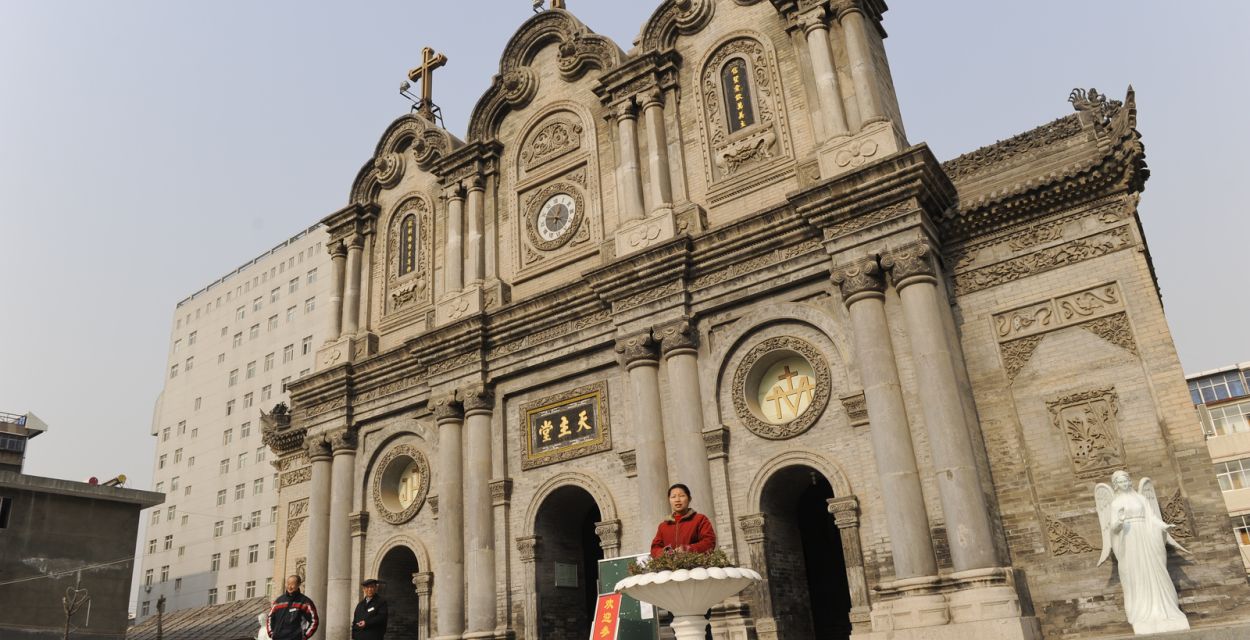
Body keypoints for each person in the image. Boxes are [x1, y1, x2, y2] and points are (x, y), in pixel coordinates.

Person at [1095, 470, 1190, 634]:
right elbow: (1113, 526)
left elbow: (1151, 517)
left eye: (1126, 481)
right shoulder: (1116, 503)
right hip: (1129, 539)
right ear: (1116, 485)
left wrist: (1163, 526)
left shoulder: (1141, 498)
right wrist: (1119, 522)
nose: (1124, 484)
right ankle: (1142, 613)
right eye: (1121, 482)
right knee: (1136, 574)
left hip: (1146, 537)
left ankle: (1164, 609)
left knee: (1155, 570)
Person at [650, 483, 716, 558]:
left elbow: (709, 542)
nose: (677, 500)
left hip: (696, 567)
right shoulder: (663, 526)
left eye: (682, 496)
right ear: (669, 500)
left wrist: (688, 549)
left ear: (689, 499)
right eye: (673, 497)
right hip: (672, 568)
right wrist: (665, 552)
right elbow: (654, 549)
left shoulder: (700, 519)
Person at [267, 575, 319, 640]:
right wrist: (271, 633)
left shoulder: (305, 602)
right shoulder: (279, 601)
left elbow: (314, 620)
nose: (289, 587)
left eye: (292, 584)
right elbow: (270, 617)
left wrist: (305, 636)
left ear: (298, 585)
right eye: (288, 584)